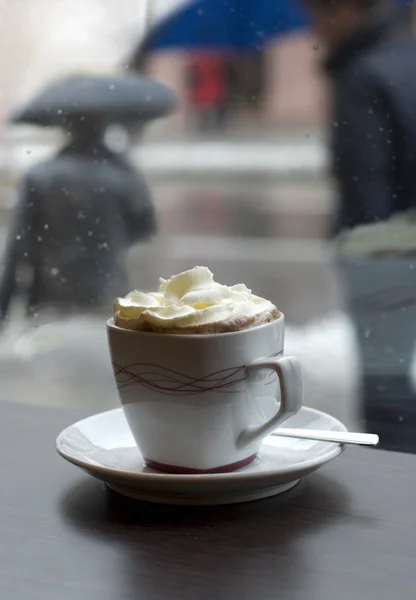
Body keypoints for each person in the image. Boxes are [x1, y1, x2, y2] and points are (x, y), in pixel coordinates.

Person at [302, 0, 416, 451]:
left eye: (318, 15)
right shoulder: (406, 58)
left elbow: (366, 187)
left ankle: (398, 496)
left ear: (346, 10)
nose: (316, 28)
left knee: (387, 394)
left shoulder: (364, 76)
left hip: (387, 256)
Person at [0, 74, 176, 322]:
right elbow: (145, 229)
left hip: (48, 303)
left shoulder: (40, 175)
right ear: (105, 125)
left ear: (65, 126)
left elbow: (20, 248)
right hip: (106, 298)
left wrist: (4, 307)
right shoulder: (123, 173)